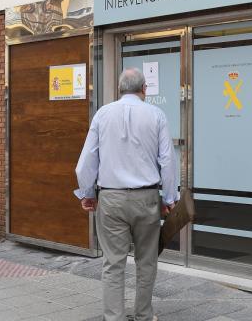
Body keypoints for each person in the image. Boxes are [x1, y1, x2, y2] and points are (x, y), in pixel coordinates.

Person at [74, 68, 178, 321]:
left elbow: (86, 161)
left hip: (111, 199)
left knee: (113, 263)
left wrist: (87, 193)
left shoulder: (102, 115)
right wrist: (169, 199)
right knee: (147, 261)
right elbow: (167, 161)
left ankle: (115, 318)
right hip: (147, 199)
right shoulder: (156, 115)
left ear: (119, 89)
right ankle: (143, 315)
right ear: (144, 89)